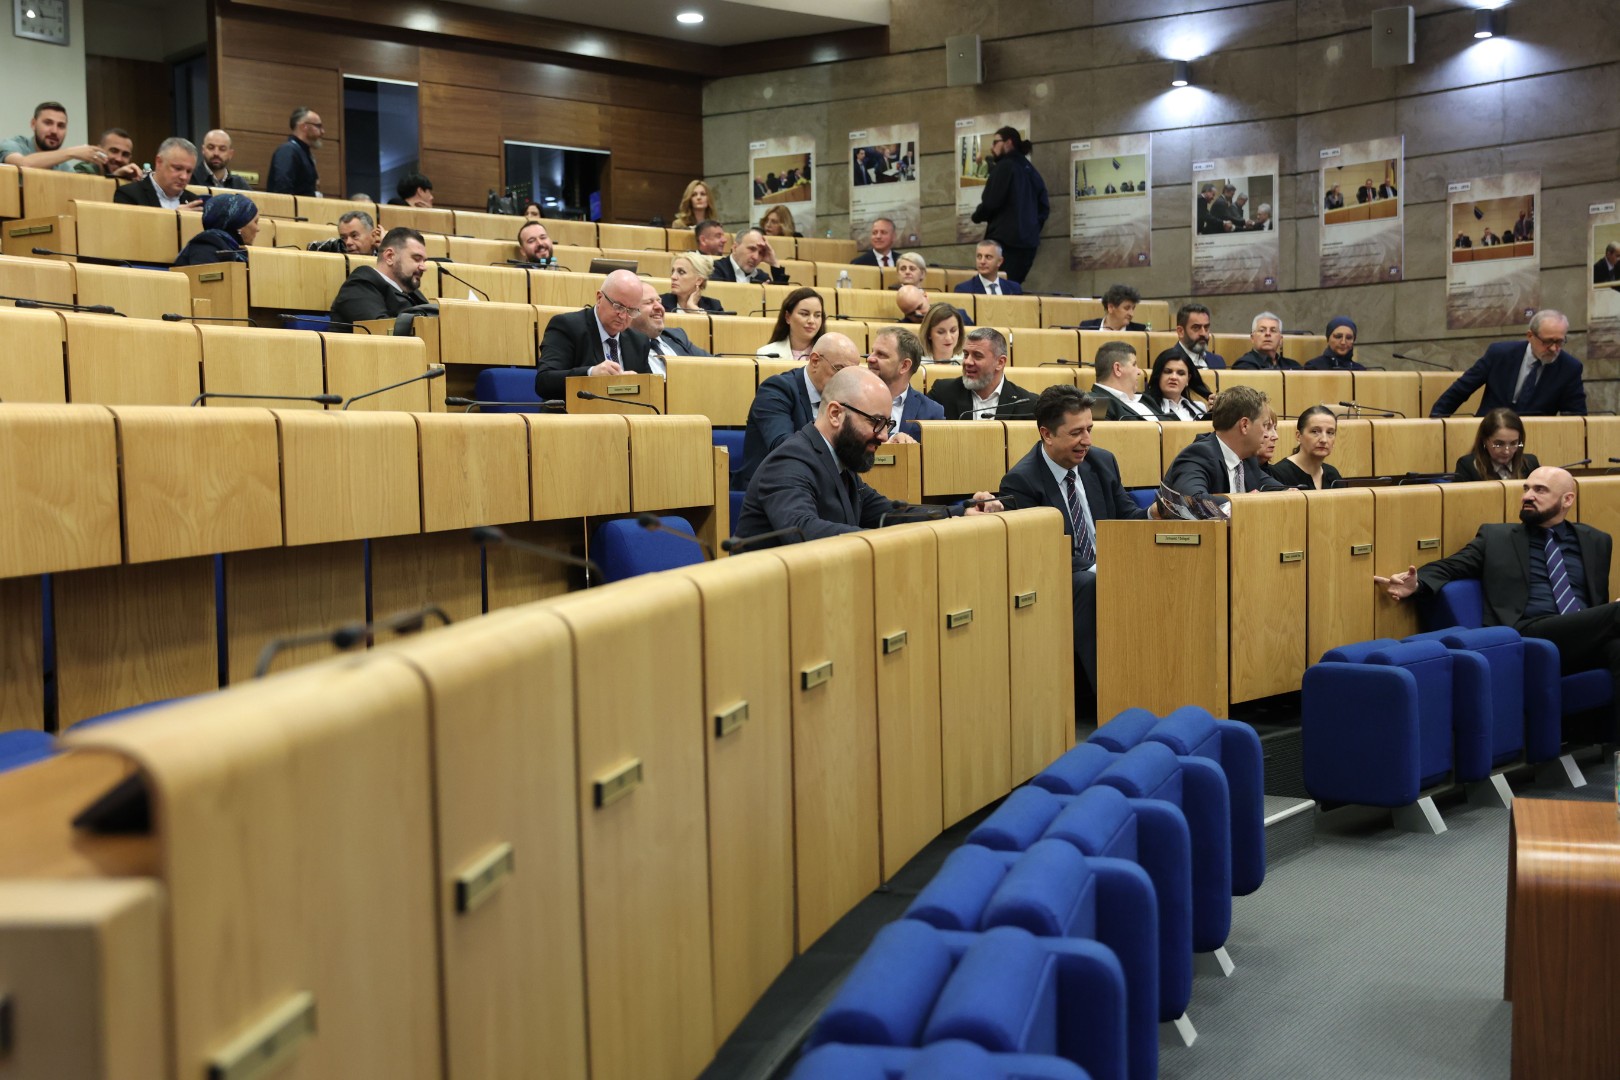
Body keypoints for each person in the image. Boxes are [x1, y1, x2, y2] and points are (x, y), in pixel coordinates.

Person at [1375, 467, 1620, 733]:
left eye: (1540, 490)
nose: (1528, 496)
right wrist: (1417, 583)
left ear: (1567, 500)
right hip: (1529, 632)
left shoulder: (1596, 541)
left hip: (1582, 637)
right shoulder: (1496, 538)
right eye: (1526, 488)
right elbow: (1449, 567)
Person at [996, 384, 1152, 698]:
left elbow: (1127, 519)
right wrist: (1098, 567)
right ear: (1047, 434)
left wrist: (1154, 513)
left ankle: (1163, 680)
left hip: (1108, 564)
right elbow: (1041, 553)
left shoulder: (1102, 462)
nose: (1087, 441)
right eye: (1077, 433)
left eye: (1089, 430)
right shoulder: (1021, 481)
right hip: (1062, 577)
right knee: (1089, 583)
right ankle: (1112, 696)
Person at [734, 367, 1001, 544]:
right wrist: (884, 541)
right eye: (876, 422)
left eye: (887, 424)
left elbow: (889, 513)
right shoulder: (789, 463)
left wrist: (960, 511)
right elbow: (803, 530)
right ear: (836, 414)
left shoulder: (840, 462)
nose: (883, 436)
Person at [733, 332, 863, 491]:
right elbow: (785, 447)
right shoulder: (776, 389)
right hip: (772, 489)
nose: (845, 382)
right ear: (815, 361)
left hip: (822, 489)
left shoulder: (844, 399)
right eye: (839, 370)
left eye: (850, 375)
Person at [1429, 310, 1586, 417]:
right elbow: (1461, 390)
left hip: (1535, 438)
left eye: (1559, 342)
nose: (1553, 348)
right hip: (1489, 436)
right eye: (1547, 341)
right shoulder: (1499, 354)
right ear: (1530, 336)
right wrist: (1437, 420)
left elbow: (1575, 416)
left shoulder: (1570, 368)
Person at [533, 269, 654, 398]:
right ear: (599, 298)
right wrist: (590, 373)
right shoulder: (567, 326)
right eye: (618, 306)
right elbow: (544, 382)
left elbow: (652, 390)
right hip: (576, 409)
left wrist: (639, 382)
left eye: (631, 310)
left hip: (625, 410)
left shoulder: (638, 341)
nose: (623, 316)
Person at [1162, 384, 1287, 496]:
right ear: (1244, 425)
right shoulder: (1199, 456)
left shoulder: (1247, 460)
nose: (1268, 435)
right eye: (1265, 425)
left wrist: (1289, 493)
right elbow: (1194, 501)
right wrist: (1244, 502)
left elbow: (1278, 490)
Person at [971, 127, 1049, 284]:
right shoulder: (1031, 170)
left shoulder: (1005, 166)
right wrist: (1032, 230)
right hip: (1028, 245)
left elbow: (991, 202)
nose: (992, 148)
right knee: (1012, 288)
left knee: (994, 288)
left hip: (1004, 241)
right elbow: (1044, 208)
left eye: (995, 142)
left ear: (1008, 142)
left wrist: (977, 216)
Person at [328, 226, 431, 327]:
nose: (423, 267)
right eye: (416, 258)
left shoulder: (412, 293)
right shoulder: (359, 286)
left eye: (424, 261)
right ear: (390, 257)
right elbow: (381, 330)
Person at [926, 327, 1035, 420]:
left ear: (1000, 362)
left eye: (977, 356)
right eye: (966, 354)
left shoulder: (1027, 405)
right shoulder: (943, 393)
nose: (967, 362)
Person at [866, 326, 944, 440]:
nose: (870, 359)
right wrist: (893, 438)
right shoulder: (853, 399)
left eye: (881, 354)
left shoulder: (931, 412)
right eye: (872, 352)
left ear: (904, 366)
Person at [1, 102, 105, 173]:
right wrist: (72, 152)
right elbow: (23, 164)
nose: (54, 131)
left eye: (61, 126)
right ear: (33, 124)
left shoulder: (64, 168)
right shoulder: (12, 145)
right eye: (48, 123)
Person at [632, 282, 709, 372]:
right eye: (649, 302)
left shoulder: (677, 336)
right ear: (631, 310)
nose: (659, 307)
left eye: (659, 302)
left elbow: (714, 361)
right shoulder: (622, 346)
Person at [1155, 302, 1223, 398]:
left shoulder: (1218, 361)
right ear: (1180, 331)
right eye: (1196, 328)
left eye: (1206, 327)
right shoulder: (1168, 362)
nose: (1203, 333)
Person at [1454, 407, 1541, 482]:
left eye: (1513, 443)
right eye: (1499, 444)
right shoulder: (1468, 466)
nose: (1507, 451)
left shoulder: (1530, 464)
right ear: (1485, 440)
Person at [114, 138, 203, 210]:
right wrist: (176, 218)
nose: (184, 177)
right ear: (159, 162)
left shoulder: (194, 202)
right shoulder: (129, 195)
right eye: (178, 168)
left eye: (189, 171)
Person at [174, 192, 259, 266]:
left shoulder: (234, 249)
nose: (258, 229)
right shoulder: (205, 248)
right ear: (239, 224)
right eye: (255, 222)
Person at [1267, 406, 1342, 489]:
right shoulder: (1279, 474)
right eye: (1315, 431)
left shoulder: (1333, 474)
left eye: (1330, 433)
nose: (1324, 440)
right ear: (1298, 436)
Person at [1089, 341, 1157, 421]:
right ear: (1117, 369)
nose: (1139, 372)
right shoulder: (1096, 402)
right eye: (1134, 364)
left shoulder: (1146, 399)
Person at [266, 107, 322, 196]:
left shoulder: (303, 153)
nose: (322, 131)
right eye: (318, 126)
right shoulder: (288, 151)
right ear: (304, 127)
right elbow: (282, 189)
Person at [758, 287, 825, 361]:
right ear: (788, 317)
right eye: (804, 314)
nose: (811, 321)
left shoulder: (830, 355)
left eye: (817, 315)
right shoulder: (767, 354)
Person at [1139, 352, 1207, 421]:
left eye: (1181, 373)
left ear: (1188, 379)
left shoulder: (1199, 408)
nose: (1174, 377)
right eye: (1167, 372)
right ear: (1158, 375)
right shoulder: (1144, 408)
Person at [710, 228, 789, 285]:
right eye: (752, 249)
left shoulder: (762, 277)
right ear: (735, 248)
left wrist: (774, 263)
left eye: (760, 253)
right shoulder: (715, 269)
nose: (756, 257)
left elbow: (782, 298)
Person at [1232, 312, 1299, 370]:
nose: (1268, 334)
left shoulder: (1293, 366)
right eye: (1262, 330)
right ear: (1252, 338)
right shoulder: (1243, 365)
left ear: (1280, 340)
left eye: (1273, 330)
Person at [953, 240, 1023, 296]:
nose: (982, 261)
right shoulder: (964, 290)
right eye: (979, 256)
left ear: (999, 261)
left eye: (988, 257)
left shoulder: (1014, 288)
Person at [307, 209, 382, 255]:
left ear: (373, 236)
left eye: (354, 236)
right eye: (343, 237)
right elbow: (312, 246)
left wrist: (384, 248)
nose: (348, 242)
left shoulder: (383, 252)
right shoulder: (339, 245)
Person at [1078, 284, 1148, 331]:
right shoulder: (1087, 327)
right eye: (1126, 308)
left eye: (1133, 308)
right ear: (1111, 307)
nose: (1131, 314)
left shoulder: (1140, 330)